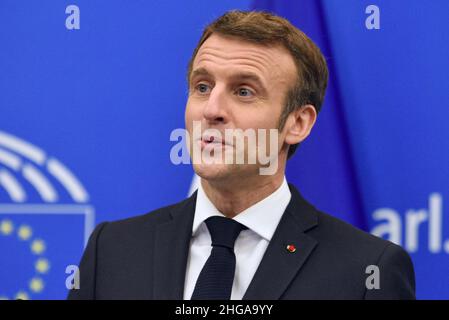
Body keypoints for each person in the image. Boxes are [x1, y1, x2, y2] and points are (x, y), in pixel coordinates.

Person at [68, 10, 415, 300]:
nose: (212, 110)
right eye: (202, 87)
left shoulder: (367, 270)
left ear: (298, 123)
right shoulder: (112, 250)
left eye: (244, 91)